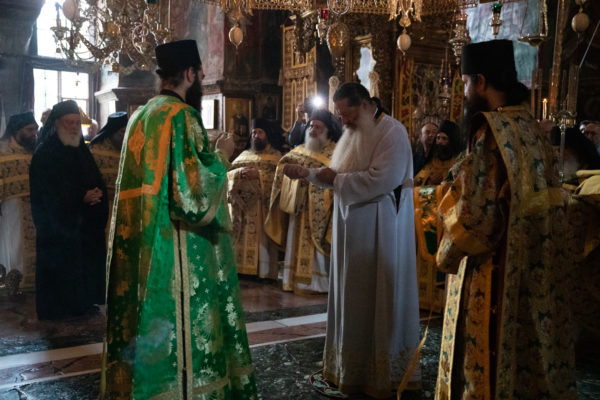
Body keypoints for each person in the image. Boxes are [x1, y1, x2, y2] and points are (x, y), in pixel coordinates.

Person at [101, 40, 257, 399]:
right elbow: (192, 194)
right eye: (199, 73)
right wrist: (222, 156)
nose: (200, 78)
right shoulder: (182, 116)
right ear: (189, 74)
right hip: (177, 245)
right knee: (182, 326)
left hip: (142, 242)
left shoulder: (139, 116)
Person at [434, 40, 576, 399]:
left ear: (481, 81)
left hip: (496, 268)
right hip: (534, 266)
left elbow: (476, 218)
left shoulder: (491, 131)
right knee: (529, 354)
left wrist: (446, 253)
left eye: (466, 82)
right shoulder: (530, 127)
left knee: (488, 363)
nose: (465, 91)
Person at [284, 82, 420, 398]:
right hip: (351, 227)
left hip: (380, 227)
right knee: (351, 299)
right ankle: (349, 369)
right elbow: (337, 175)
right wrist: (307, 174)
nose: (343, 122)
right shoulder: (356, 131)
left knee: (375, 300)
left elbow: (383, 179)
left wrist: (335, 178)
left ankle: (377, 375)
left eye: (347, 115)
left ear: (365, 105)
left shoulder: (392, 132)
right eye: (340, 116)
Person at [29, 100, 108, 320]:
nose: (74, 127)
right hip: (57, 226)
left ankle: (83, 303)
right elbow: (48, 193)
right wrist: (80, 197)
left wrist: (98, 193)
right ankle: (59, 309)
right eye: (69, 123)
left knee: (83, 263)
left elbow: (95, 177)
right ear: (57, 123)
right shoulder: (45, 153)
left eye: (76, 123)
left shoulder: (80, 148)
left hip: (82, 222)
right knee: (61, 267)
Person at [264, 109, 341, 293]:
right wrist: (295, 180)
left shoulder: (335, 154)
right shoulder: (298, 151)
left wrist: (312, 182)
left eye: (318, 127)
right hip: (298, 207)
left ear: (327, 131)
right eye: (311, 126)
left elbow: (338, 181)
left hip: (322, 210)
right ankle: (293, 281)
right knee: (295, 241)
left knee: (318, 247)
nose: (313, 130)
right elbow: (282, 170)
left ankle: (318, 284)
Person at [228, 117, 282, 279]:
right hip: (242, 210)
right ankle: (242, 270)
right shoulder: (243, 156)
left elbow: (280, 180)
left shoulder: (276, 157)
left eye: (260, 132)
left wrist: (258, 175)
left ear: (267, 135)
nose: (256, 136)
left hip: (262, 209)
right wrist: (238, 173)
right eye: (253, 133)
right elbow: (227, 175)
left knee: (262, 241)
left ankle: (263, 273)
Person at [0, 112, 38, 289]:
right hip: (11, 207)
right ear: (17, 130)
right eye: (29, 130)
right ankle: (13, 283)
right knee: (13, 245)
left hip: (34, 206)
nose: (34, 133)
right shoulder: (2, 151)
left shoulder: (34, 151)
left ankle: (29, 283)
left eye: (35, 129)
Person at [89, 111, 128, 204]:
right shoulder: (95, 150)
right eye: (122, 132)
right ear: (112, 132)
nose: (125, 136)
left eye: (127, 132)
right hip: (102, 203)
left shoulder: (130, 148)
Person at [414, 120, 460, 186]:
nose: (440, 142)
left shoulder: (459, 161)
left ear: (452, 142)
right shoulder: (432, 160)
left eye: (444, 138)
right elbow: (416, 181)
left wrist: (443, 179)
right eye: (438, 138)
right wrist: (429, 179)